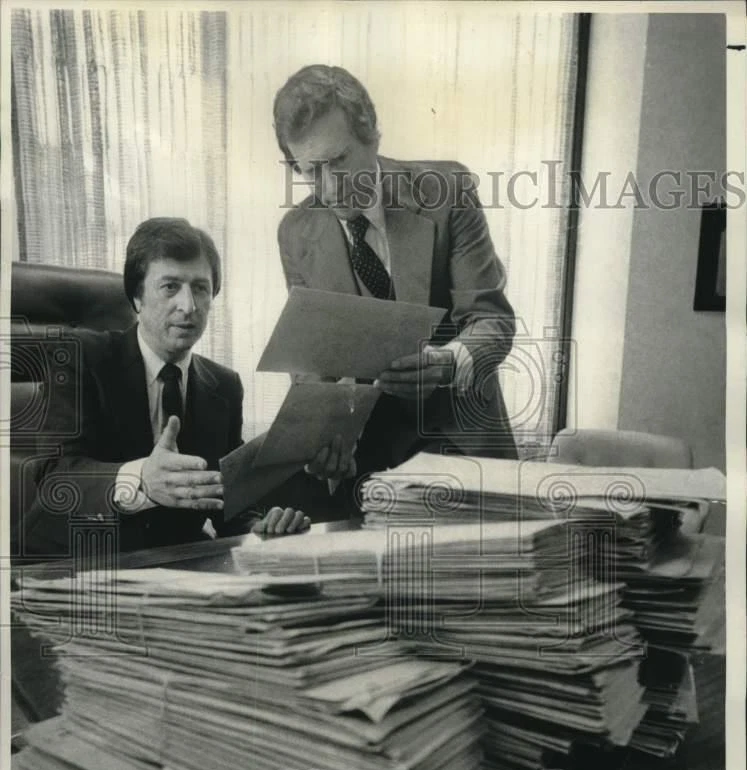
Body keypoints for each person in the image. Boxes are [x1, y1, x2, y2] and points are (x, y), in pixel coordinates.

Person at [273, 64, 518, 503]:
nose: (330, 188)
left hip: (464, 451)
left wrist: (447, 363)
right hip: (365, 468)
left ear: (373, 137)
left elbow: (492, 322)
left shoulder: (447, 191)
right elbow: (313, 366)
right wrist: (323, 436)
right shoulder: (295, 233)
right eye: (311, 171)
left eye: (339, 161)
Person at [26, 217, 310, 556]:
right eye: (170, 287)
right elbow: (54, 475)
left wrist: (261, 527)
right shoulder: (80, 357)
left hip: (170, 563)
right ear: (137, 298)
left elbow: (224, 504)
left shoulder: (224, 385)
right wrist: (141, 479)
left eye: (200, 288)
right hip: (66, 560)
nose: (188, 306)